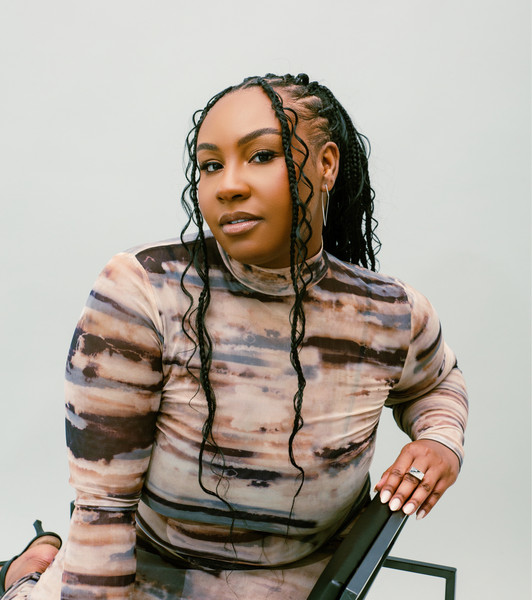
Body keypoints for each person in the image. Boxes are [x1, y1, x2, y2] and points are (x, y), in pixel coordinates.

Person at [0, 73, 468, 599]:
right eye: (210, 165)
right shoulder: (144, 290)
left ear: (327, 164)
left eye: (261, 156)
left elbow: (437, 383)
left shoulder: (392, 312)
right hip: (145, 563)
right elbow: (103, 508)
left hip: (300, 576)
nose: (228, 186)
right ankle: (31, 567)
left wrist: (439, 440)